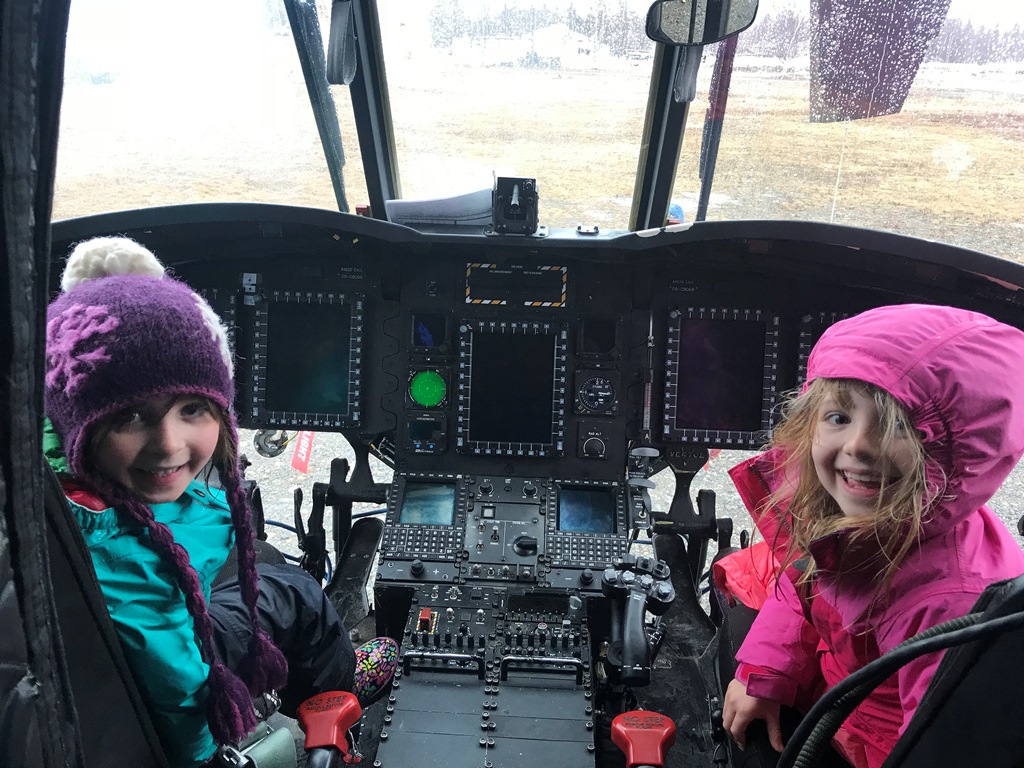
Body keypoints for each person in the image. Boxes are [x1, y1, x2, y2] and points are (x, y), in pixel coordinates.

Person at [43, 236, 398, 767]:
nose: (168, 445)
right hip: (162, 663)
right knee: (296, 594)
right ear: (82, 425)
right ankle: (332, 692)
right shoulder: (138, 587)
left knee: (262, 558)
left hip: (107, 637)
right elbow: (182, 703)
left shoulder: (50, 468)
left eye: (191, 409)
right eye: (130, 416)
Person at [720, 304, 1024, 768]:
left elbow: (938, 742)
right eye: (839, 417)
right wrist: (765, 672)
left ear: (958, 454)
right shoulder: (848, 513)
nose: (859, 445)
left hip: (881, 744)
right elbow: (803, 579)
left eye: (899, 425)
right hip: (843, 689)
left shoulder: (949, 601)